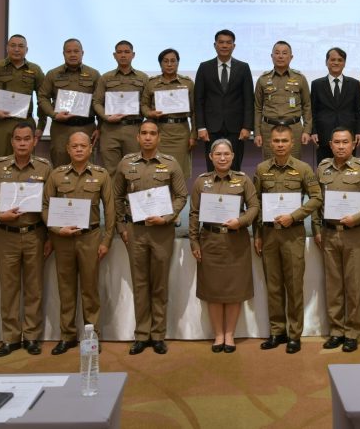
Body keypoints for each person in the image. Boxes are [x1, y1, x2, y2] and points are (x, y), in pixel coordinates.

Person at [0, 121, 52, 356]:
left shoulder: (44, 167)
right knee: (9, 289)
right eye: (18, 139)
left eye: (26, 139)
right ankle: (10, 337)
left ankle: (31, 336)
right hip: (6, 235)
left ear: (34, 141)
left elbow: (52, 202)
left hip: (35, 234)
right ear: (12, 141)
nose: (22, 143)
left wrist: (50, 237)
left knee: (34, 288)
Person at [113, 121, 188, 355]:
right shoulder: (126, 163)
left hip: (161, 231)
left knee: (159, 284)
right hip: (135, 231)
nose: (148, 137)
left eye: (152, 133)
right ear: (137, 137)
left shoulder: (170, 163)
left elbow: (181, 195)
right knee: (140, 284)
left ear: (159, 138)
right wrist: (121, 227)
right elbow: (116, 197)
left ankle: (158, 335)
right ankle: (141, 335)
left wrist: (167, 217)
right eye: (144, 133)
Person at [312, 127, 360, 353]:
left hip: (354, 234)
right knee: (333, 285)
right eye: (337, 142)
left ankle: (352, 332)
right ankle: (336, 331)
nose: (341, 146)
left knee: (353, 285)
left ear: (354, 144)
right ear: (330, 145)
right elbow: (316, 199)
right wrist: (316, 227)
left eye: (345, 142)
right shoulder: (322, 168)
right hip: (329, 233)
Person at [253, 125, 322, 354]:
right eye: (276, 141)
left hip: (293, 234)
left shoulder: (303, 169)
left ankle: (294, 334)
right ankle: (277, 331)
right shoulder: (262, 169)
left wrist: (294, 216)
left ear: (292, 143)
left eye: (284, 141)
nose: (280, 145)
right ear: (270, 143)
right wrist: (257, 234)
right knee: (273, 285)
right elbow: (256, 204)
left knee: (293, 285)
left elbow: (316, 198)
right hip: (269, 234)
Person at [43, 131, 114, 355]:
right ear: (68, 149)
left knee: (90, 290)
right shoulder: (56, 175)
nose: (79, 149)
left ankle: (92, 337)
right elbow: (45, 207)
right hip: (63, 239)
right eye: (74, 146)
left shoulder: (101, 175)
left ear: (90, 149)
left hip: (90, 237)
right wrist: (56, 230)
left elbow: (110, 210)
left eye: (83, 145)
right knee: (66, 289)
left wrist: (107, 240)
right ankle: (67, 336)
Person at [189, 139, 259, 353]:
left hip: (236, 242)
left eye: (226, 154)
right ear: (211, 157)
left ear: (232, 156)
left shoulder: (243, 180)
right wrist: (194, 241)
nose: (222, 158)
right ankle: (218, 334)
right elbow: (194, 213)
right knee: (214, 291)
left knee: (234, 291)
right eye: (218, 154)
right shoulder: (201, 182)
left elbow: (254, 207)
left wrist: (241, 221)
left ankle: (230, 334)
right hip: (210, 242)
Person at [194, 29, 254, 171]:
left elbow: (248, 100)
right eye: (221, 42)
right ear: (215, 45)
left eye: (228, 42)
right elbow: (198, 100)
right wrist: (201, 127)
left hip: (236, 128)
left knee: (234, 166)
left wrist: (247, 127)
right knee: (212, 167)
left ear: (234, 46)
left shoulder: (243, 67)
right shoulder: (204, 67)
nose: (225, 46)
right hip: (211, 128)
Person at [0, 34, 46, 159]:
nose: (16, 49)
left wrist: (41, 126)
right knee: (1, 161)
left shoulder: (35, 70)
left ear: (26, 50)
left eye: (21, 46)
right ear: (7, 48)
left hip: (25, 122)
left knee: (26, 161)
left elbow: (43, 98)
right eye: (13, 45)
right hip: (2, 123)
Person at [37, 38, 100, 168]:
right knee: (60, 168)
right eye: (69, 51)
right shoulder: (53, 74)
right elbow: (42, 97)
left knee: (87, 168)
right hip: (61, 129)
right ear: (63, 53)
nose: (72, 54)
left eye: (76, 51)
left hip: (86, 127)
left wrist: (100, 127)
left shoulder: (94, 74)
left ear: (82, 53)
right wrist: (54, 114)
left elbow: (100, 101)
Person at [94, 40, 148, 173]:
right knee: (111, 171)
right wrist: (106, 117)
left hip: (134, 129)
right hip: (110, 130)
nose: (123, 55)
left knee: (134, 170)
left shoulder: (143, 78)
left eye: (127, 52)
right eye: (119, 52)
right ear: (114, 55)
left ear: (133, 55)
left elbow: (147, 104)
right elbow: (97, 102)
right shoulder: (105, 78)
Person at [142, 48, 196, 179]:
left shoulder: (187, 83)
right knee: (158, 172)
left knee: (179, 172)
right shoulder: (151, 83)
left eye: (173, 61)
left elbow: (195, 111)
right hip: (159, 132)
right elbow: (143, 105)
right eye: (166, 61)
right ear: (160, 64)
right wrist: (150, 113)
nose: (169, 64)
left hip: (181, 133)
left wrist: (193, 135)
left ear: (178, 63)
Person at [254, 41, 312, 161]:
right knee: (269, 165)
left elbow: (307, 106)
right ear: (272, 56)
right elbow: (257, 108)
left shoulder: (300, 78)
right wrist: (257, 133)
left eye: (284, 53)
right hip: (269, 129)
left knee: (294, 165)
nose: (280, 56)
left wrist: (307, 130)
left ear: (291, 57)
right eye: (277, 53)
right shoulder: (263, 79)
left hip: (294, 128)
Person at [309, 48, 360, 164]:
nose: (336, 62)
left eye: (340, 60)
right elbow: (312, 110)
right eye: (333, 59)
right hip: (323, 136)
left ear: (344, 63)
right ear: (326, 62)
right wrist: (313, 131)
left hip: (348, 135)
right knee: (325, 168)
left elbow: (359, 110)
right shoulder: (316, 84)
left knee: (349, 168)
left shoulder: (354, 84)